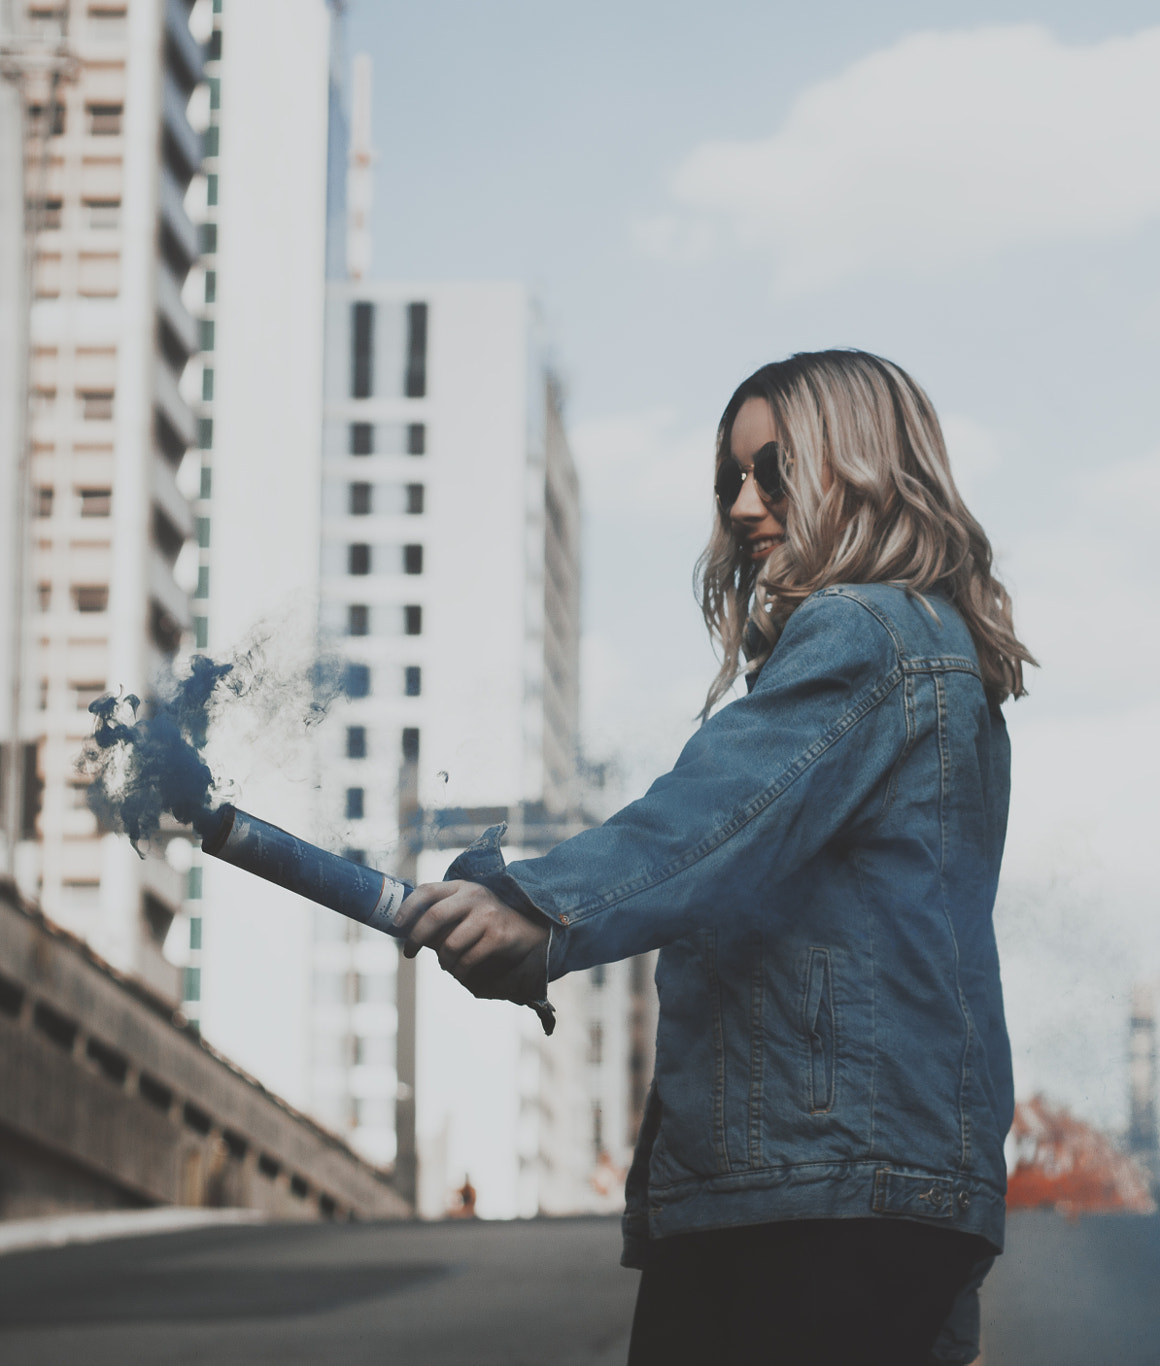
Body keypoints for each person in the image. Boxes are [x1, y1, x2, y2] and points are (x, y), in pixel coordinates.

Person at [398, 349, 1033, 1366]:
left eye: (773, 470)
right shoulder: (931, 651)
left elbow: (709, 818)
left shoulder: (864, 634)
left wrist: (537, 907)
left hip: (815, 1191)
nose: (742, 506)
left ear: (859, 463)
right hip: (879, 1186)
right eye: (729, 479)